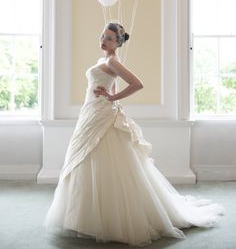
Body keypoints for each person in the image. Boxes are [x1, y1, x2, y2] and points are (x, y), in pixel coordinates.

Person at [44, 22, 224, 247]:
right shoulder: (103, 60)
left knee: (105, 159)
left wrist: (112, 98)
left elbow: (137, 84)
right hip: (91, 112)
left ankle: (108, 219)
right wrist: (108, 96)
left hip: (102, 114)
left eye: (109, 38)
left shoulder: (111, 61)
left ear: (118, 42)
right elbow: (108, 83)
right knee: (87, 158)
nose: (103, 40)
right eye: (102, 36)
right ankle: (84, 216)